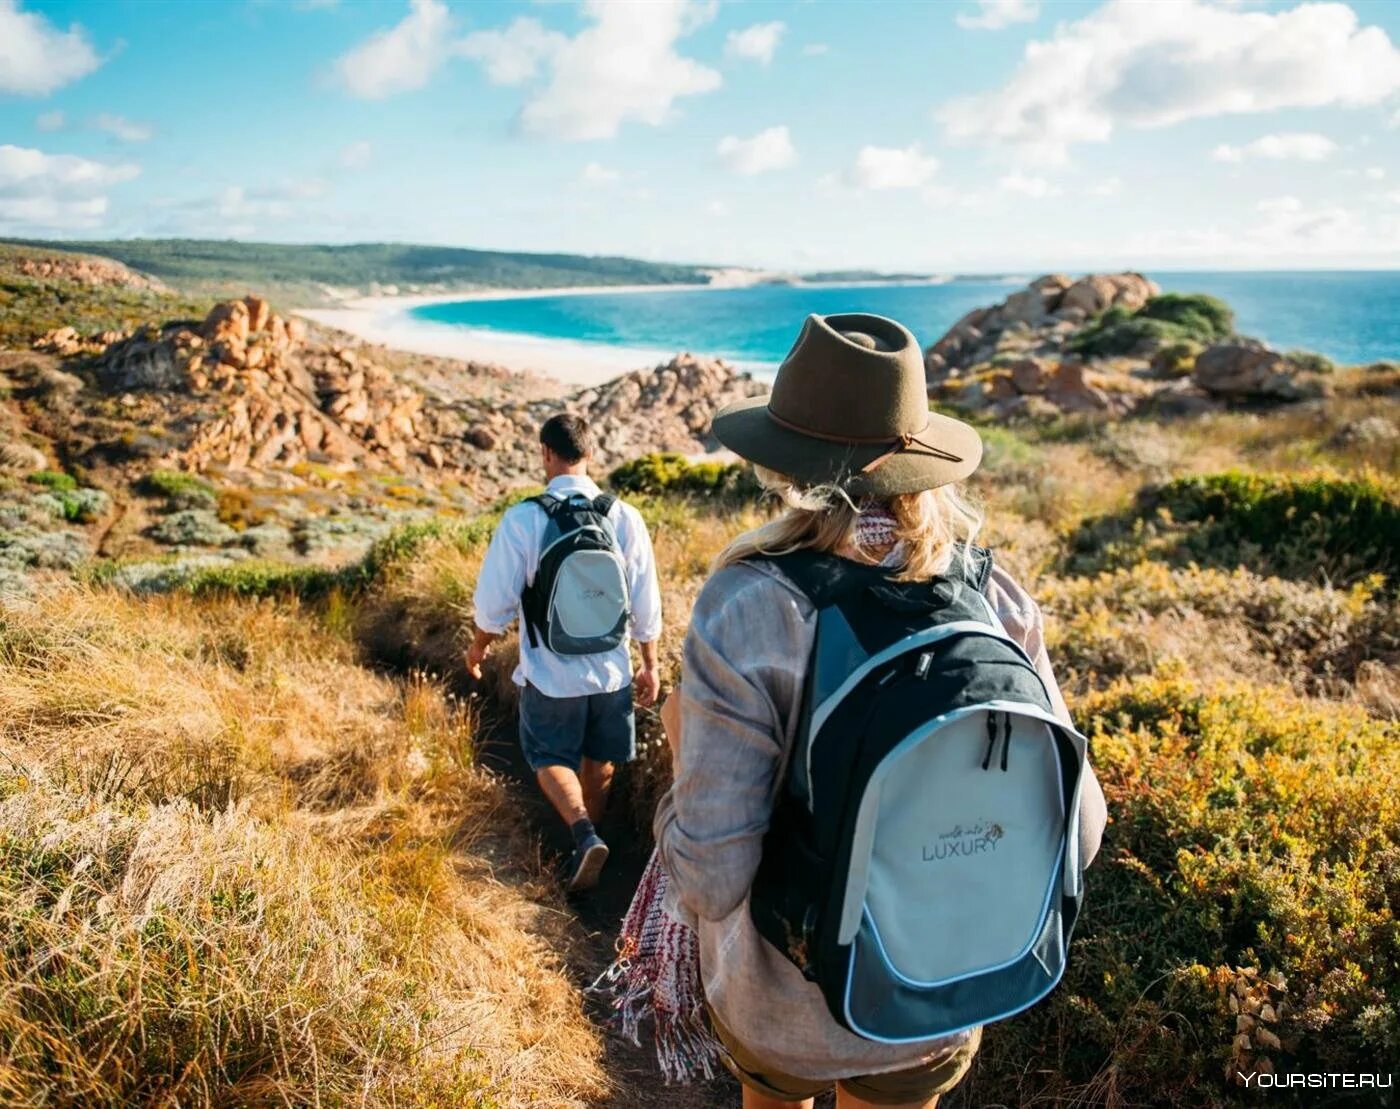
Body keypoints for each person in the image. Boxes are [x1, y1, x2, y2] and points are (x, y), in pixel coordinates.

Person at [651, 312, 1109, 1109]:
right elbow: (1085, 824)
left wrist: (676, 755)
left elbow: (712, 877)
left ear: (786, 463)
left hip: (783, 1001)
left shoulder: (750, 604)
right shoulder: (993, 595)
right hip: (939, 988)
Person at [468, 412, 662, 892]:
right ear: (590, 453)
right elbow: (646, 600)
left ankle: (581, 833)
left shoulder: (525, 518)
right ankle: (589, 851)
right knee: (600, 761)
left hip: (551, 676)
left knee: (548, 755)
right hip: (613, 673)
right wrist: (651, 664)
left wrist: (477, 648)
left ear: (546, 453)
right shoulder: (625, 517)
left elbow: (494, 603)